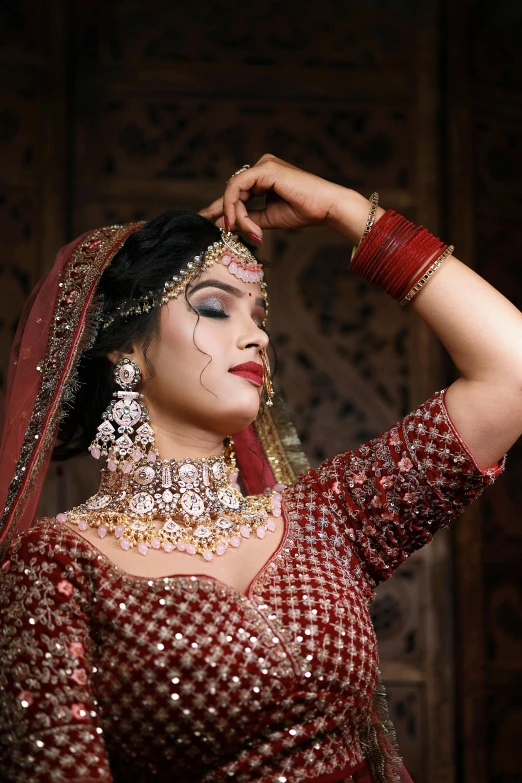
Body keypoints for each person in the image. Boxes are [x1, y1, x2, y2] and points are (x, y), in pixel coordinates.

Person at [1, 153, 521, 783]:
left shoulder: (328, 520)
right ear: (125, 346)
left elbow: (512, 374)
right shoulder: (55, 564)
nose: (256, 337)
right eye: (217, 308)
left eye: (259, 316)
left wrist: (348, 212)